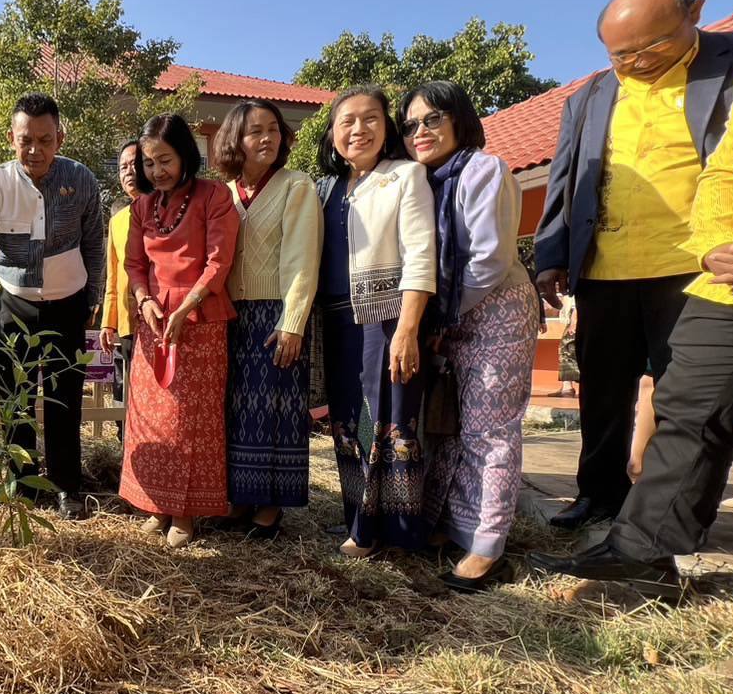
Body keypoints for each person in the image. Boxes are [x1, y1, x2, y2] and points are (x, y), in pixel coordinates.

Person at [530, 0, 733, 586]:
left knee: (702, 401)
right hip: (647, 267)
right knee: (632, 399)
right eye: (617, 53)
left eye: (646, 48)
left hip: (694, 270)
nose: (630, 63)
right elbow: (569, 177)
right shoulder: (591, 93)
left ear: (694, 14)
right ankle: (616, 518)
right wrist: (553, 253)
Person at [398, 82, 540, 590]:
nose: (421, 132)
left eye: (432, 119)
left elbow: (490, 258)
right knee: (451, 428)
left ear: (459, 119)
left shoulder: (484, 170)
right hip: (448, 317)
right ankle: (454, 526)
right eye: (410, 124)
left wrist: (439, 319)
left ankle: (487, 545)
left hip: (495, 309)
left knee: (490, 428)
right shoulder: (423, 180)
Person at [0, 93, 104, 519]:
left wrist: (93, 297)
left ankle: (67, 487)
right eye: (25, 140)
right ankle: (23, 485)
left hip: (68, 304)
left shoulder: (83, 180)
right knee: (15, 399)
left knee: (63, 398)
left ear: (60, 138)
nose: (35, 150)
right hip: (12, 305)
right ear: (10, 139)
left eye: (45, 139)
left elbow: (94, 244)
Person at [315, 86, 436, 556]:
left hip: (385, 319)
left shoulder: (405, 176)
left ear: (386, 128)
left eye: (370, 119)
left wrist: (407, 328)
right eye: (347, 121)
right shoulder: (328, 189)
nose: (358, 129)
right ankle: (358, 522)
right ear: (333, 134)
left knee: (388, 420)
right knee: (349, 423)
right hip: (339, 324)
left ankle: (390, 534)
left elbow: (421, 253)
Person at [119, 114, 239, 548]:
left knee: (189, 421)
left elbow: (219, 260)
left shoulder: (214, 197)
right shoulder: (141, 207)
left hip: (201, 320)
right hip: (153, 320)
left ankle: (186, 513)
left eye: (165, 160)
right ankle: (156, 503)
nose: (157, 171)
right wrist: (145, 300)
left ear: (186, 155)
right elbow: (134, 265)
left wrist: (187, 305)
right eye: (149, 164)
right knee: (151, 418)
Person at [214, 99, 320, 539]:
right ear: (235, 140)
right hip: (229, 315)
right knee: (235, 408)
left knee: (273, 408)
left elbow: (302, 258)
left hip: (276, 313)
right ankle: (240, 495)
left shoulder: (297, 186)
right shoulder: (223, 192)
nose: (267, 139)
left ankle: (271, 505)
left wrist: (293, 320)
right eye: (255, 131)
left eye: (274, 130)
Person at [99, 140, 141, 438]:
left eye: (137, 164)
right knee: (127, 392)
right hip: (128, 323)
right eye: (124, 166)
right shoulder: (118, 220)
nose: (130, 172)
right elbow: (113, 276)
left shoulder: (169, 210)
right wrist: (108, 321)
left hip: (163, 320)